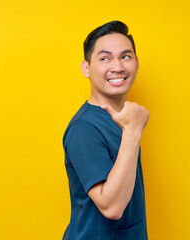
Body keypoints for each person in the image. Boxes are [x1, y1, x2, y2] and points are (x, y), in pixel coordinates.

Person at [62, 20, 150, 240]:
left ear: (137, 63)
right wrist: (133, 131)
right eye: (105, 58)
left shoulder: (123, 119)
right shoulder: (84, 128)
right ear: (86, 68)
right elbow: (112, 208)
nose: (117, 67)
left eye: (125, 56)